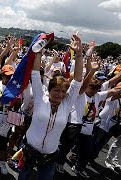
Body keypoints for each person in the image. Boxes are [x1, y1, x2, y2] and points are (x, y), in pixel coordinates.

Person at [18, 34, 83, 180]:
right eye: (56, 90)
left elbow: (77, 81)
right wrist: (39, 52)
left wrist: (79, 55)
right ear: (49, 90)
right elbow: (35, 74)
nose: (60, 94)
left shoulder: (66, 105)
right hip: (29, 149)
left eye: (63, 91)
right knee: (23, 177)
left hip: (50, 155)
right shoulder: (41, 99)